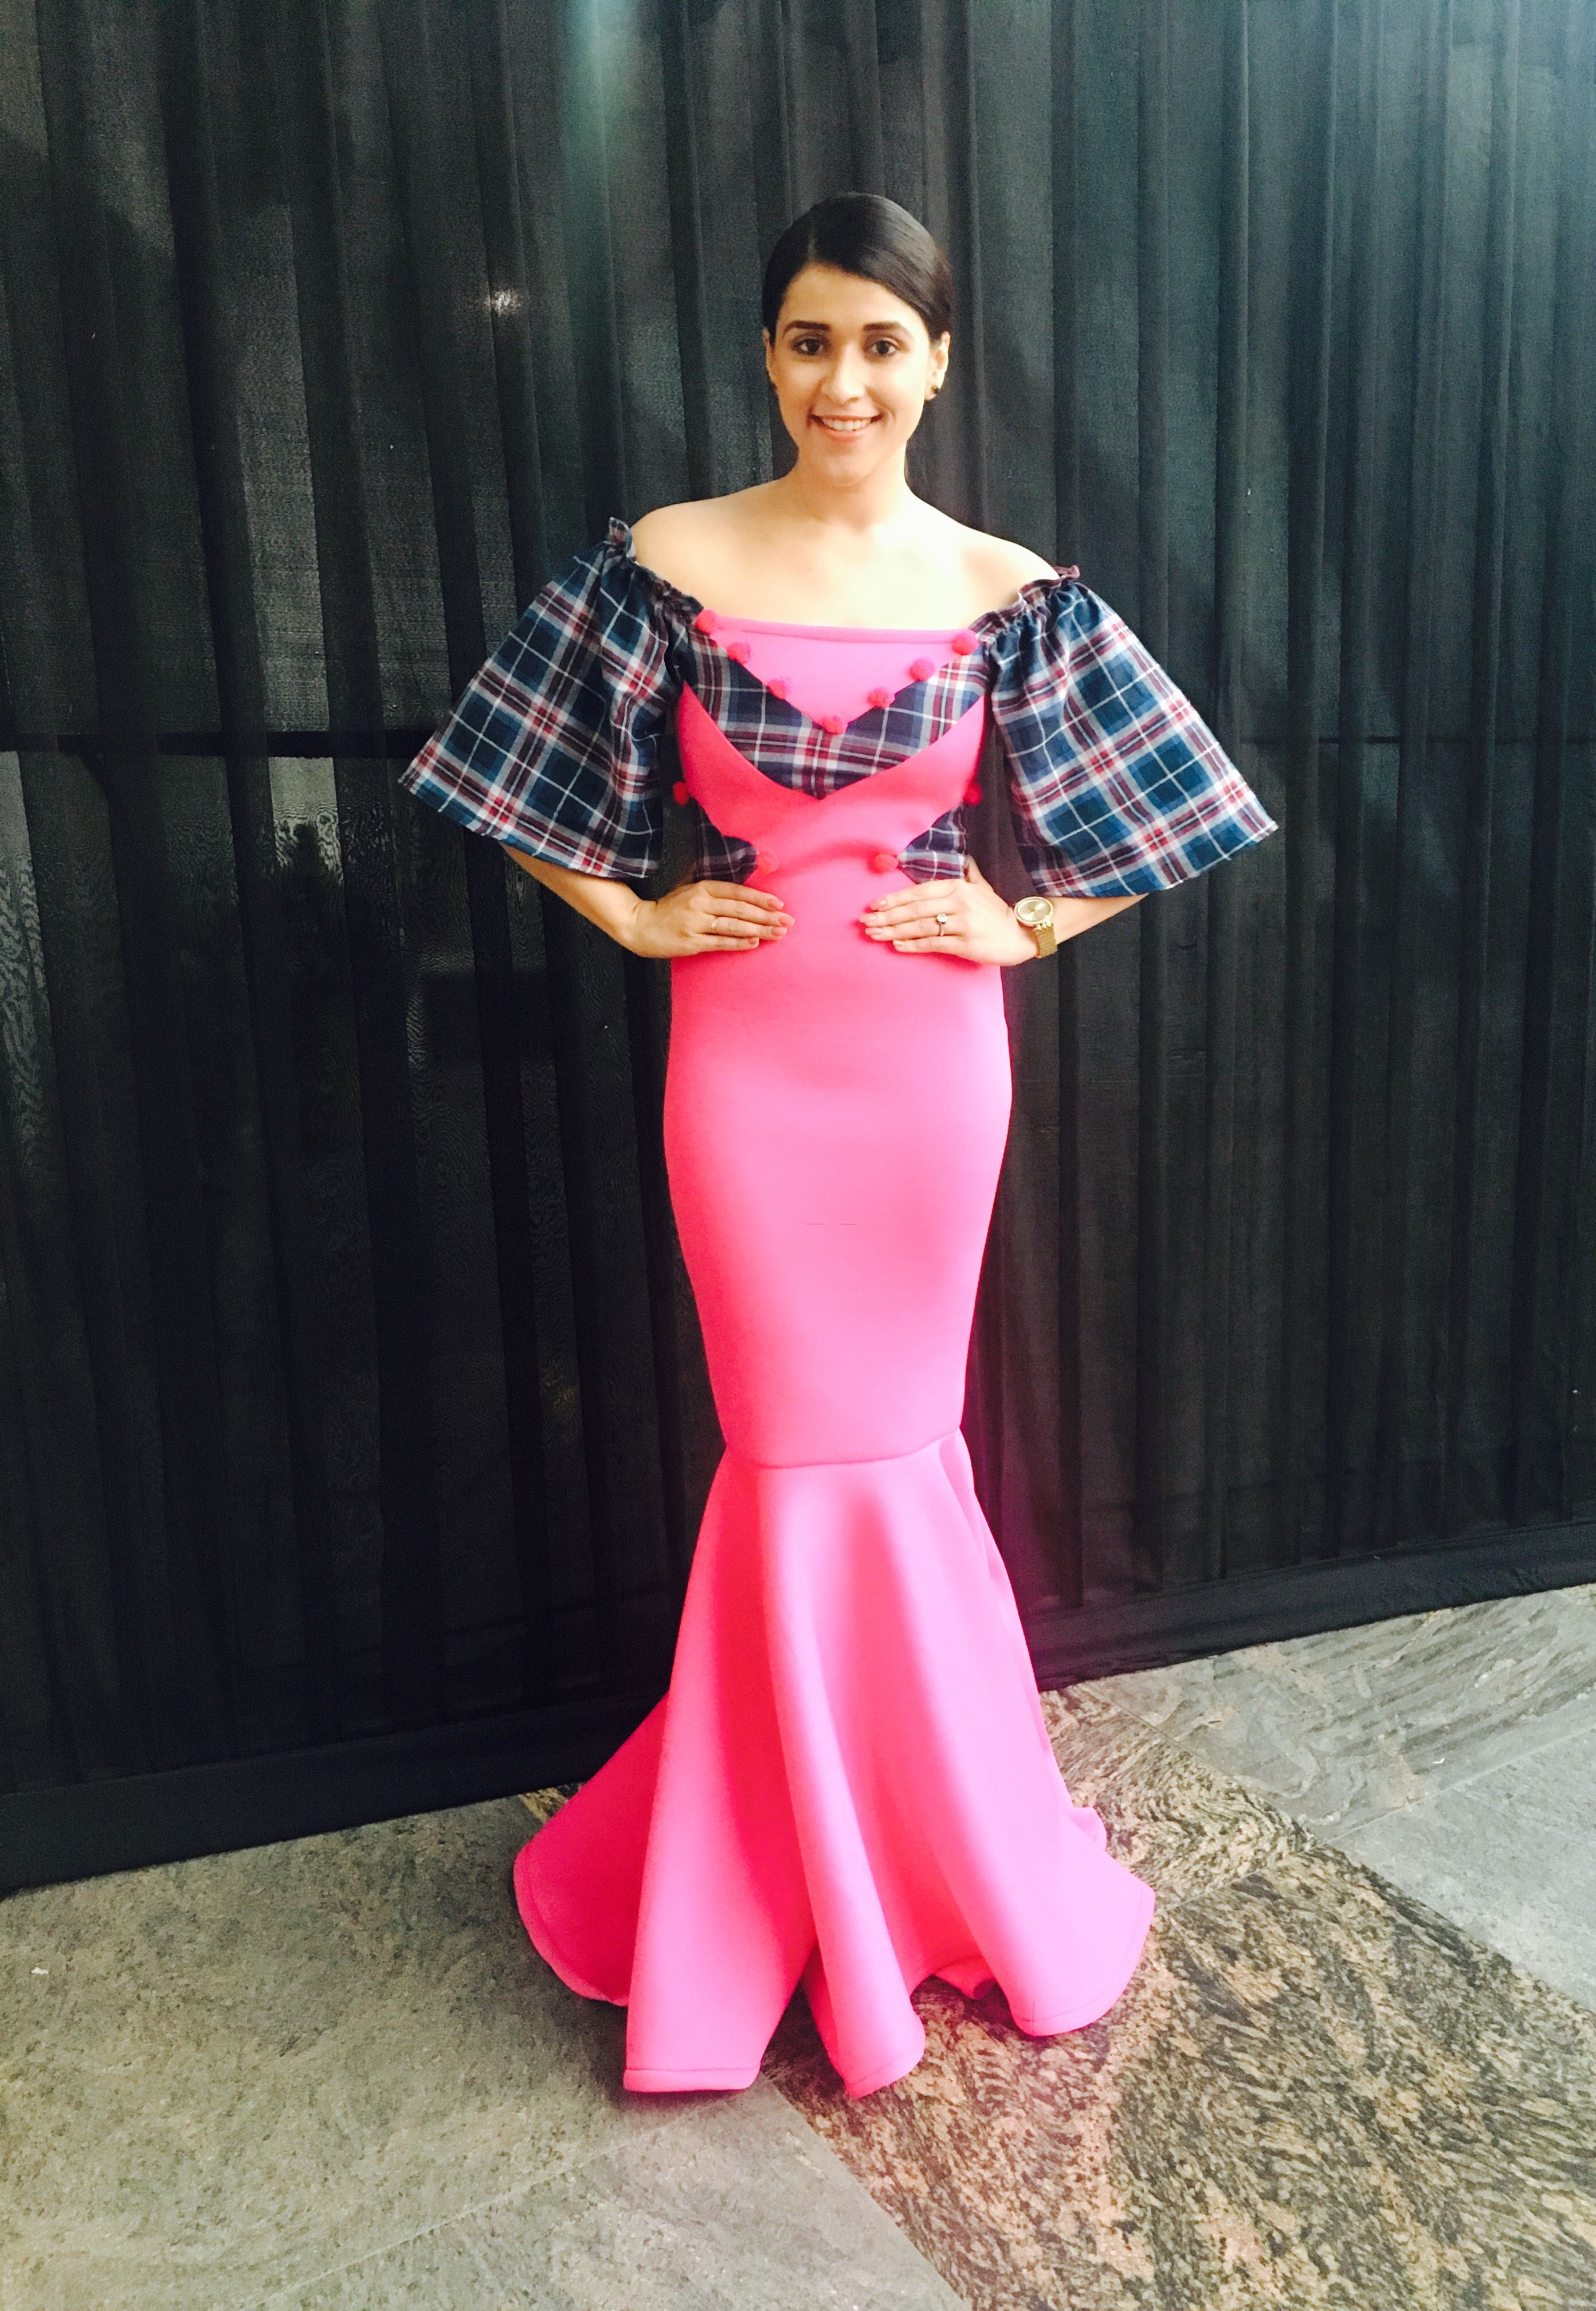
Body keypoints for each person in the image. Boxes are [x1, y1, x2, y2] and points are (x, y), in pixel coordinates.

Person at [398, 191, 1276, 2099]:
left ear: (938, 363)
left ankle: (921, 1858)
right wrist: (634, 915)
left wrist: (1029, 922)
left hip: (927, 1077)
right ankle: (767, 1881)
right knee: (790, 1452)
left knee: (897, 1446)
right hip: (744, 1071)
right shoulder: (664, 562)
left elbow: (1181, 804)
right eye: (812, 341)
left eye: (883, 343)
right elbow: (503, 771)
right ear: (769, 357)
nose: (845, 379)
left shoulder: (1005, 586)